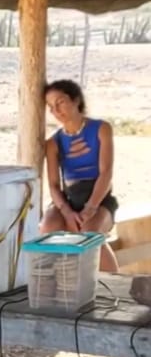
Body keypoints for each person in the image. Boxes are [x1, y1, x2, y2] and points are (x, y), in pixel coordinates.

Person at [41, 79, 119, 273]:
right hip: (68, 200)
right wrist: (66, 211)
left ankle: (116, 287)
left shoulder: (101, 129)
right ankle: (56, 286)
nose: (56, 111)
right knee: (48, 229)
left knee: (89, 235)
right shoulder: (53, 143)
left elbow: (106, 172)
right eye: (51, 107)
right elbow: (53, 185)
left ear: (76, 100)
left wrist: (90, 208)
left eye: (60, 102)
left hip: (99, 200)